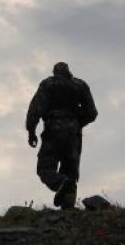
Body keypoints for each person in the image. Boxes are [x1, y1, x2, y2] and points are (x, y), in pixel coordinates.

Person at [26, 62, 97, 209]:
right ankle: (68, 207)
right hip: (74, 133)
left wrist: (31, 131)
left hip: (54, 128)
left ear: (54, 72)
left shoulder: (49, 84)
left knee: (45, 167)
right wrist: (77, 122)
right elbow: (92, 112)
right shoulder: (80, 85)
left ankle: (60, 183)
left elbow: (36, 108)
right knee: (70, 168)